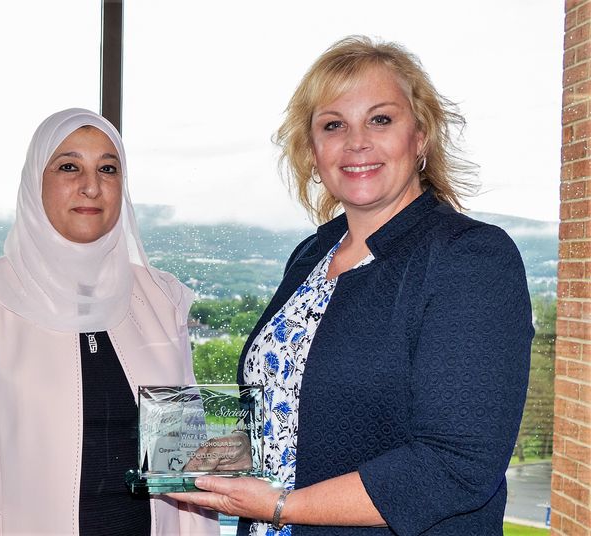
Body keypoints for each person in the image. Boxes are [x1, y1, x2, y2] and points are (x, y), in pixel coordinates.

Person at [171, 36, 533, 535]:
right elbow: (290, 405)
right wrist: (204, 458)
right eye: (333, 125)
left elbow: (456, 465)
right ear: (313, 149)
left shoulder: (469, 257)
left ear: (421, 136)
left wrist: (281, 506)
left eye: (380, 119)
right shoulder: (310, 256)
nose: (356, 142)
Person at [0, 108, 218, 534]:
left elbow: (182, 465)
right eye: (69, 167)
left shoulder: (160, 296)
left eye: (108, 169)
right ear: (36, 180)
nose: (91, 186)